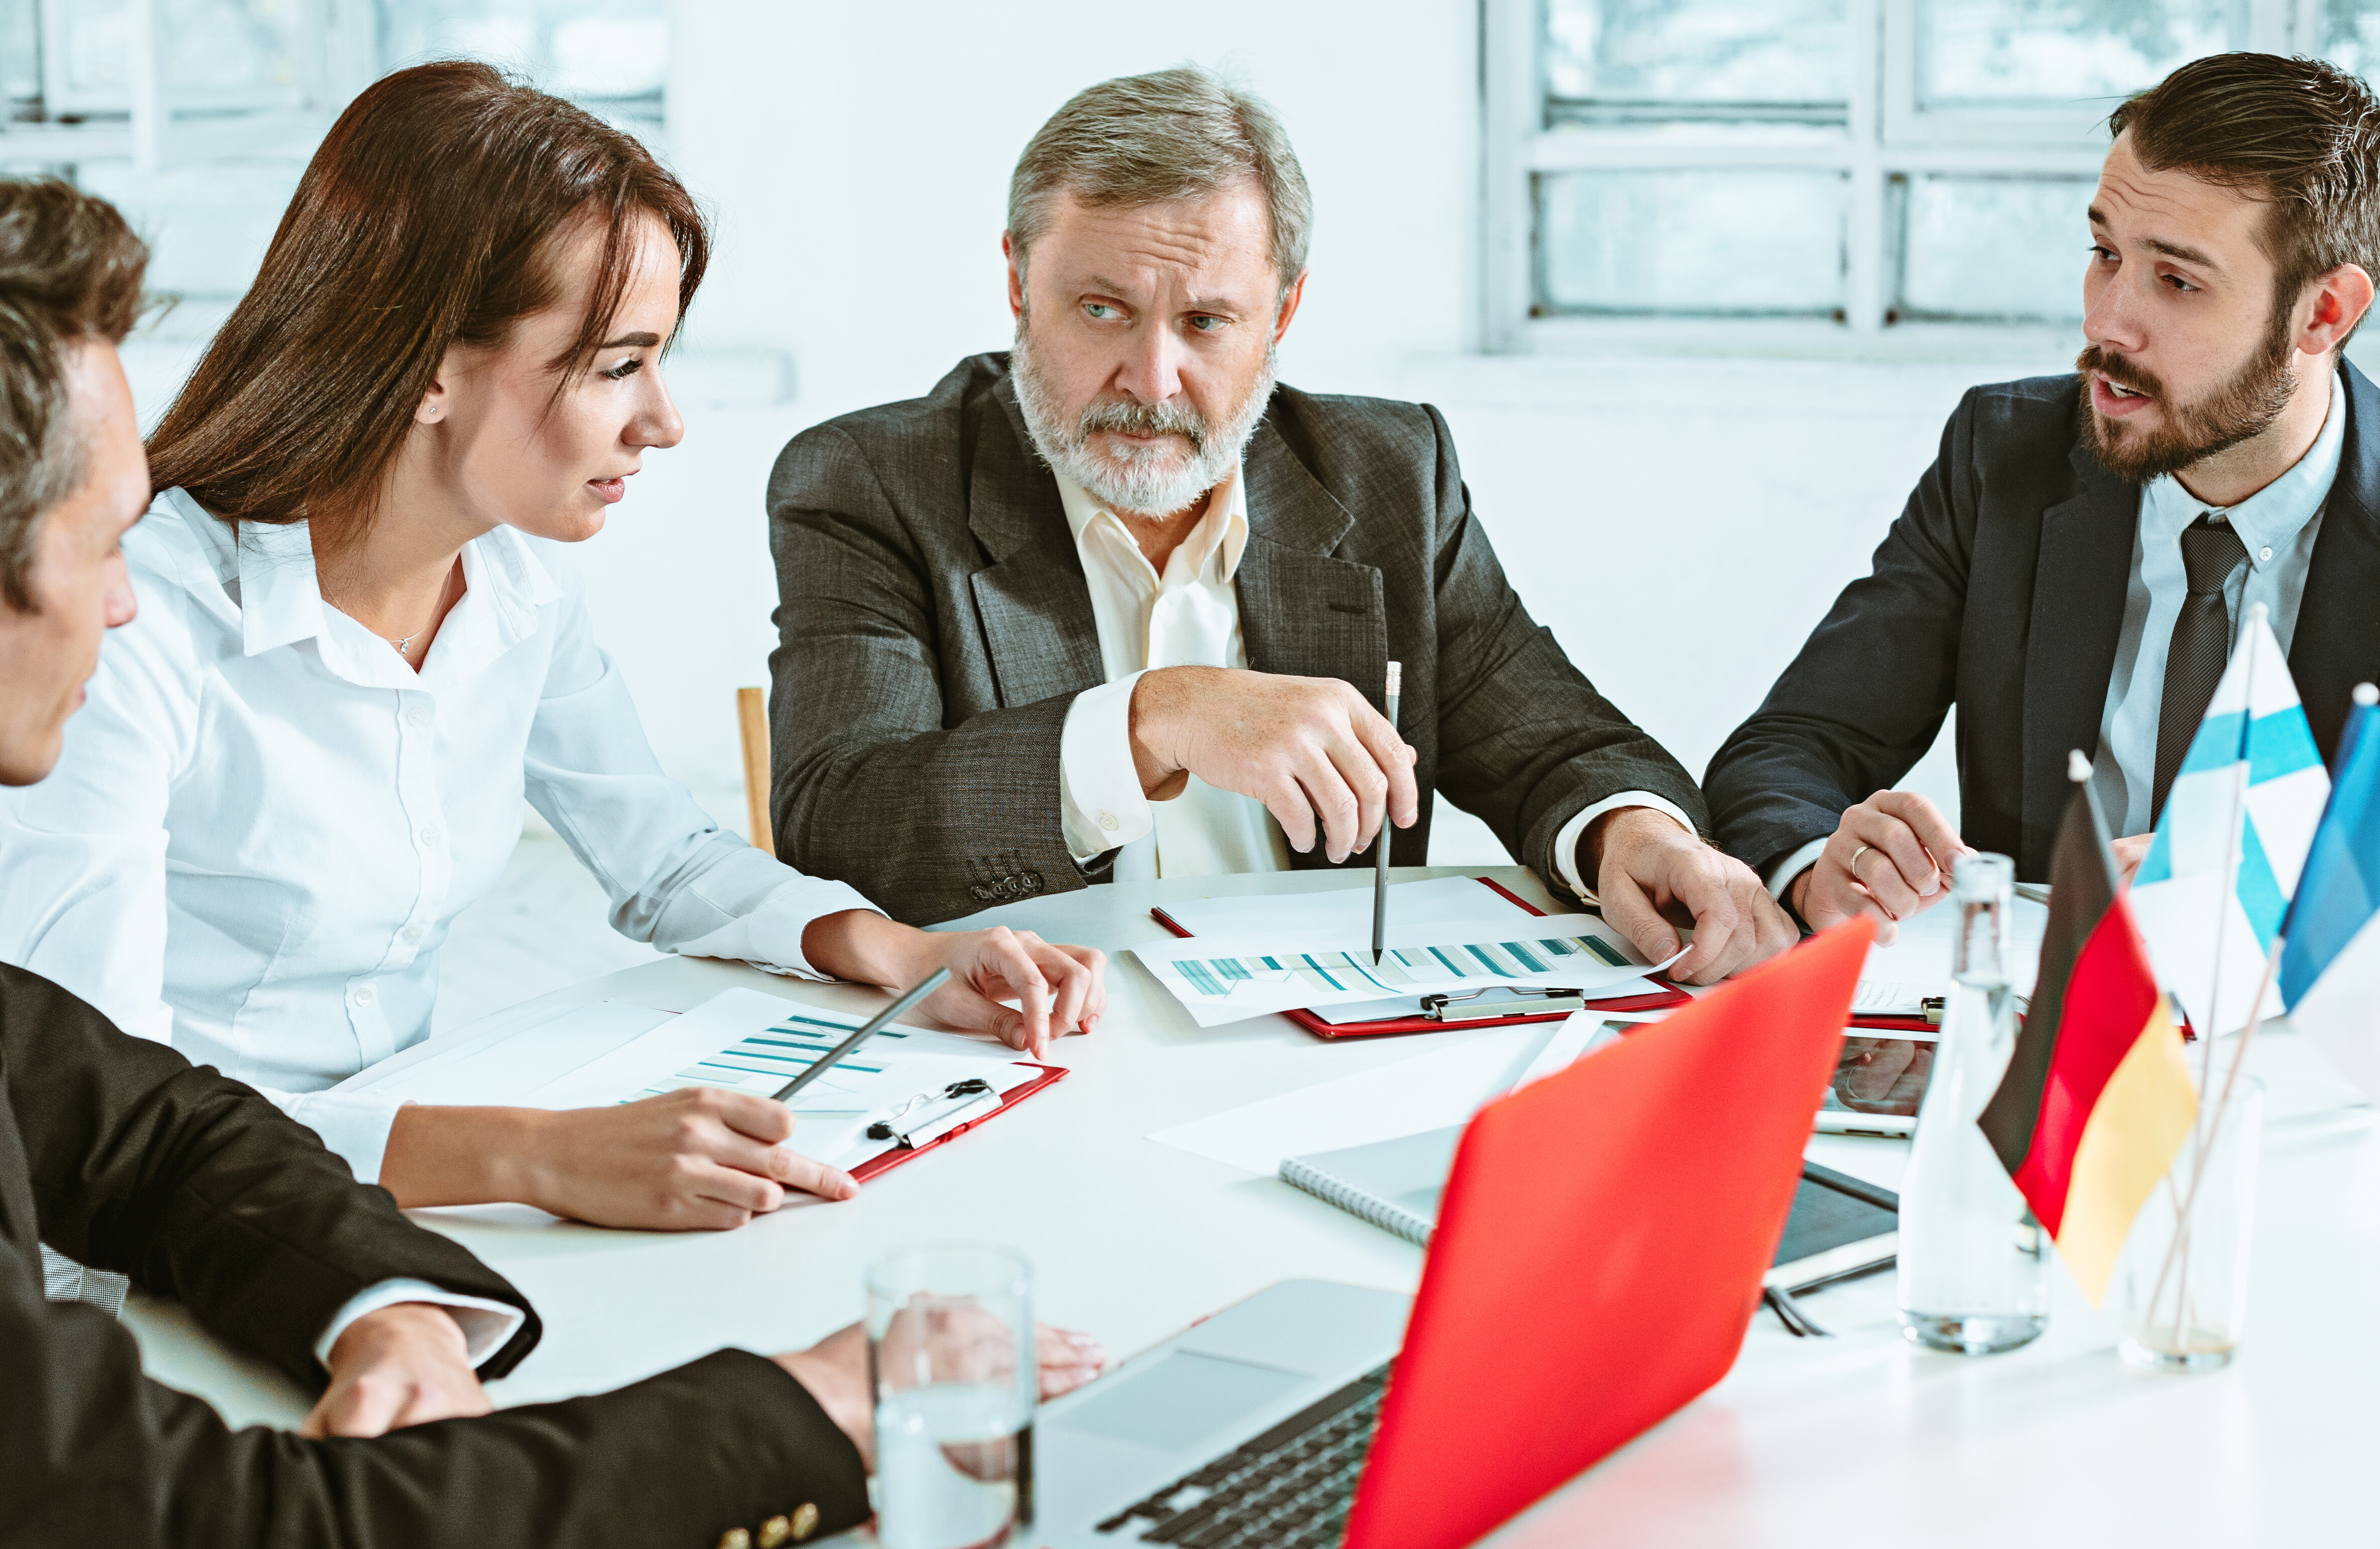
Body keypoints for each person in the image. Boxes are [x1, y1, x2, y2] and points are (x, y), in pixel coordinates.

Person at [0, 149, 1103, 1549]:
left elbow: (148, 1120)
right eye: (96, 543)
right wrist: (816, 1413)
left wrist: (380, 1296)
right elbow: (225, 1542)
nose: (126, 593)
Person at [0, 62, 1107, 1232]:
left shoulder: (517, 580)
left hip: (392, 1185)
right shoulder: (136, 622)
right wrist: (533, 1159)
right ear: (427, 366)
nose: (664, 421)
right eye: (619, 365)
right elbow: (100, 1112)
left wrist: (902, 953)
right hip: (163, 1233)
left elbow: (666, 860)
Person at [764, 67, 1793, 984]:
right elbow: (842, 823)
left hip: (1310, 1054)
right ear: (1018, 284)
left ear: (1283, 316)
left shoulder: (1390, 474)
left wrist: (1631, 834)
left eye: (1206, 322)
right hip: (1030, 1048)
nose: (1152, 379)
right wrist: (1152, 720)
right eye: (1101, 310)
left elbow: (1553, 743)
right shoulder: (873, 481)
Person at [1704, 52, 2380, 997]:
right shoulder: (2004, 459)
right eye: (2106, 253)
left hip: (2325, 1055)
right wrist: (1818, 857)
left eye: (2179, 282)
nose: (2110, 321)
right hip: (2047, 1056)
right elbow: (1789, 748)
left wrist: (2299, 907)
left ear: (2323, 312)